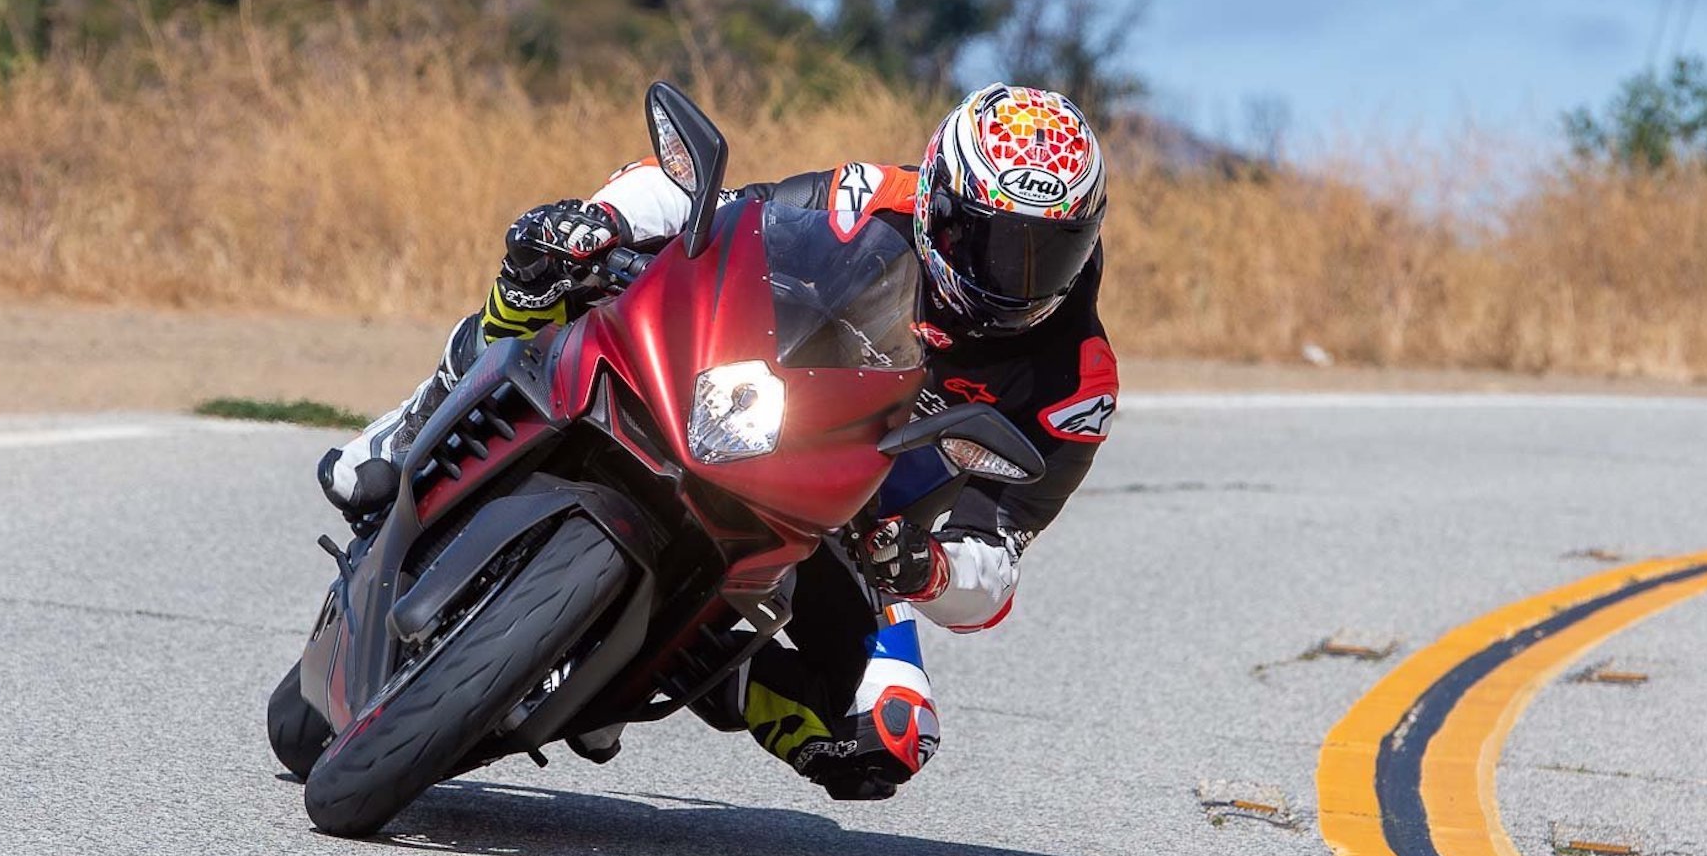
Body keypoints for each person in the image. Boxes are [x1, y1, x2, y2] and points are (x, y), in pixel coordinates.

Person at [319, 83, 1119, 799]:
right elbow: (731, 213)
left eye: (1047, 253)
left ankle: (669, 666)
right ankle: (412, 420)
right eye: (990, 240)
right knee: (551, 264)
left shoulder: (1077, 382)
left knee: (892, 741)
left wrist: (928, 562)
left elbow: (999, 555)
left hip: (854, 524)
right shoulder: (875, 198)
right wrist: (601, 222)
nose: (1014, 276)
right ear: (941, 200)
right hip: (741, 401)